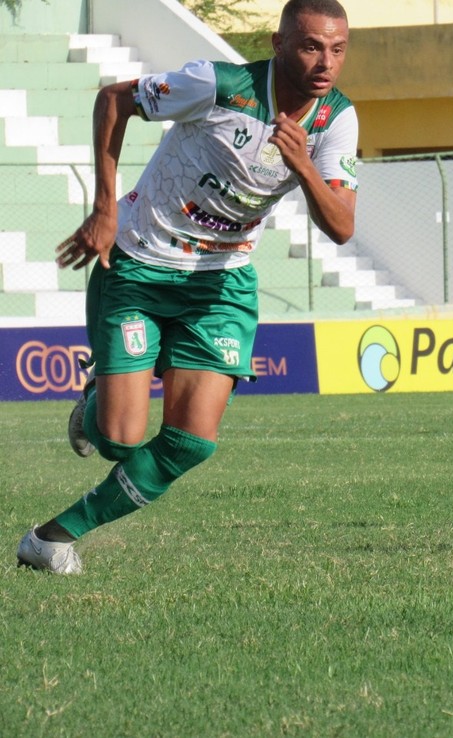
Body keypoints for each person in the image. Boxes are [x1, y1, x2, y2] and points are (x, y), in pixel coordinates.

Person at [16, 0, 358, 574]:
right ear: (278, 44)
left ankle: (51, 538)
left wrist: (303, 165)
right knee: (121, 441)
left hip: (221, 284)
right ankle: (97, 400)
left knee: (191, 442)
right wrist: (104, 209)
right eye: (311, 46)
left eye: (338, 49)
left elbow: (343, 226)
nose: (326, 62)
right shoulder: (219, 86)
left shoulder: (337, 119)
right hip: (141, 265)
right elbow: (114, 100)